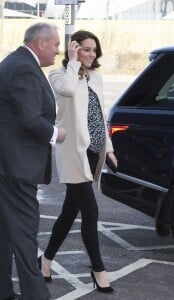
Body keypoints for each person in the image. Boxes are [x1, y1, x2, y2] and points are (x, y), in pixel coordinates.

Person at [38, 30, 117, 294]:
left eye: (94, 50)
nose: (90, 54)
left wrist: (109, 149)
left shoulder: (97, 77)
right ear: (73, 49)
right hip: (73, 153)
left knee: (69, 213)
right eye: (85, 49)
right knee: (91, 211)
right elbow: (69, 90)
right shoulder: (60, 75)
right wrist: (73, 62)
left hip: (93, 153)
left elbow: (99, 114)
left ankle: (45, 261)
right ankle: (98, 269)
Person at [0, 23, 66, 300]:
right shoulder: (25, 68)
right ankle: (36, 295)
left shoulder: (14, 62)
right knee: (25, 232)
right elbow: (29, 118)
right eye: (55, 45)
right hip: (18, 167)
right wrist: (56, 133)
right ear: (40, 42)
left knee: (5, 232)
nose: (57, 50)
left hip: (8, 164)